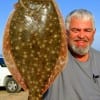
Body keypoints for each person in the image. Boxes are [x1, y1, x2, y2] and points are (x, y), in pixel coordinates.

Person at [43, 9, 100, 100]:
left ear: (94, 33)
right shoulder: (52, 55)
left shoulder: (98, 58)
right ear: (66, 33)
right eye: (75, 30)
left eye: (87, 30)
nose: (81, 36)